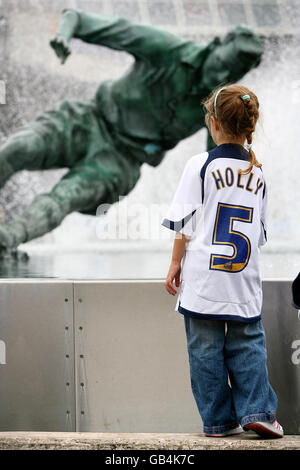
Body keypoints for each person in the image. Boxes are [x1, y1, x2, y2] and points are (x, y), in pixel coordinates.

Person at [0, 7, 263, 254]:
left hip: (121, 163)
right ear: (217, 45)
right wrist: (64, 35)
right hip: (88, 119)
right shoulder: (167, 49)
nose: (224, 73)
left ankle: (6, 240)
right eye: (224, 63)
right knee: (17, 150)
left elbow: (217, 165)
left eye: (234, 73)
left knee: (63, 199)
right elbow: (76, 18)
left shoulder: (219, 104)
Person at [161, 84, 284, 438]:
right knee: (248, 346)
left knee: (204, 351)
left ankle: (218, 420)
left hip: (203, 281)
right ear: (249, 127)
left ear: (213, 124)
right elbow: (258, 235)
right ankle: (258, 411)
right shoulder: (257, 174)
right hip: (243, 283)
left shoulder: (200, 165)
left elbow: (184, 224)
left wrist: (174, 264)